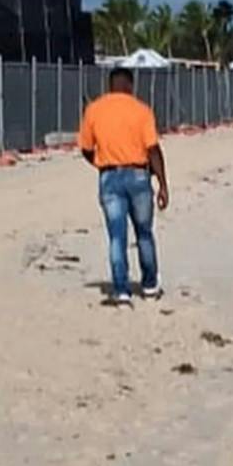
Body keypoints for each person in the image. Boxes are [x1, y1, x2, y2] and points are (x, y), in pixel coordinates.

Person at [78, 67, 170, 306]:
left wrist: (101, 164)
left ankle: (121, 289)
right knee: (144, 234)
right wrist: (162, 184)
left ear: (110, 86)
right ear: (130, 86)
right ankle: (149, 285)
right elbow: (153, 150)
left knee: (116, 236)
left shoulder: (94, 109)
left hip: (109, 177)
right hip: (139, 175)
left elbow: (86, 149)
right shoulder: (141, 110)